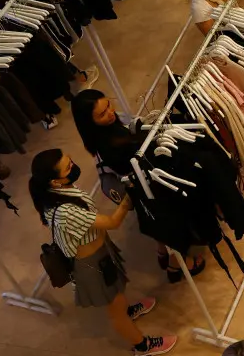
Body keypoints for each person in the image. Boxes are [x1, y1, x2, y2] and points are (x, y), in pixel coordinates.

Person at [28, 150, 177, 356]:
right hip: (92, 265)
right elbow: (112, 222)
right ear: (55, 181)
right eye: (68, 167)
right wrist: (129, 196)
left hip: (99, 252)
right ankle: (142, 346)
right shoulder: (64, 211)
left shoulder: (58, 192)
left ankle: (128, 310)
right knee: (115, 309)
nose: (74, 166)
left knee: (116, 291)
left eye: (70, 161)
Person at [70, 90, 209, 283]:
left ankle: (162, 253)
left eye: (109, 105)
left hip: (143, 183)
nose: (110, 113)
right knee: (172, 221)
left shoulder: (103, 135)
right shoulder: (109, 144)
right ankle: (175, 265)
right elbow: (130, 164)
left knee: (160, 223)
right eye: (102, 114)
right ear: (89, 121)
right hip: (146, 186)